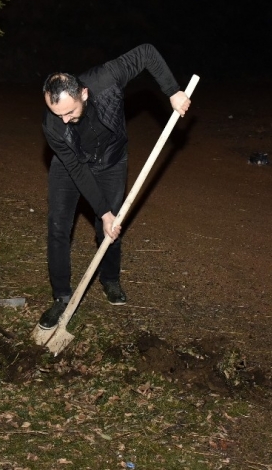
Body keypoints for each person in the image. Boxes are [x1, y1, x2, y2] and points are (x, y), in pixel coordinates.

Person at [38, 43, 191, 329]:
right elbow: (78, 170)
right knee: (58, 227)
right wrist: (103, 210)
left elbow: (146, 53)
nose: (65, 120)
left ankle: (110, 279)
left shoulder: (106, 77)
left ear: (83, 92)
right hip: (71, 165)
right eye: (57, 114)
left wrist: (173, 90)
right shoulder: (54, 125)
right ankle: (61, 297)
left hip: (111, 160)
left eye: (69, 112)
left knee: (109, 228)